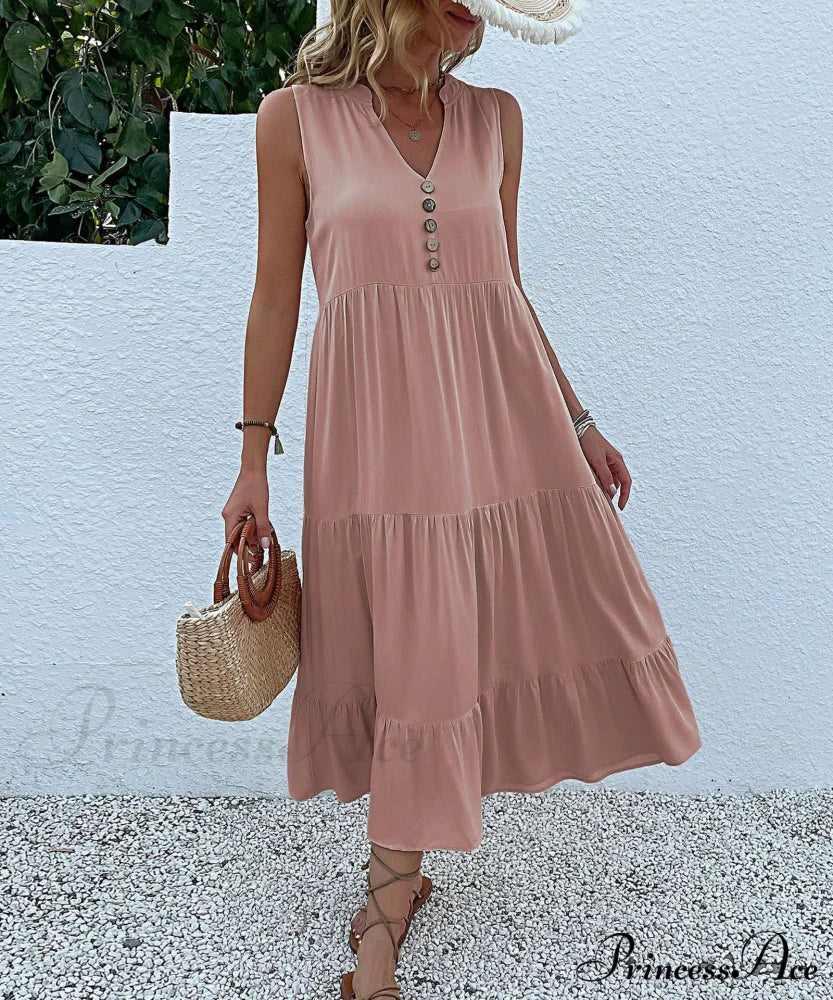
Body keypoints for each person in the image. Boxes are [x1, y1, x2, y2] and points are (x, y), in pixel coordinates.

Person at [222, 1, 702, 997]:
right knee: (413, 645)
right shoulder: (292, 119)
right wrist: (251, 462)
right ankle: (388, 902)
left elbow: (505, 291)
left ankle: (382, 911)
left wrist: (577, 420)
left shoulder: (497, 120)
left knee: (451, 643)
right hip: (373, 444)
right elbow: (274, 294)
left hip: (491, 428)